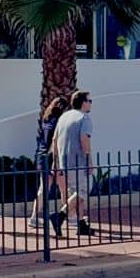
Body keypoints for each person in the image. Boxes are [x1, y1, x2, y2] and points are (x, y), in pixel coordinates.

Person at [51, 90, 95, 237]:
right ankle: (60, 216)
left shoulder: (64, 117)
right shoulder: (84, 118)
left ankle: (81, 224)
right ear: (83, 102)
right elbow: (84, 138)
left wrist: (55, 162)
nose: (90, 104)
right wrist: (89, 159)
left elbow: (55, 140)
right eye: (89, 101)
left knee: (76, 192)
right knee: (84, 190)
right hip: (79, 161)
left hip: (65, 162)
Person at [28, 95, 67, 228]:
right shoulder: (58, 121)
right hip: (52, 157)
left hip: (41, 156)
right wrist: (56, 162)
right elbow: (56, 142)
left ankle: (33, 217)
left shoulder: (46, 119)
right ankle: (67, 215)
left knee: (43, 189)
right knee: (64, 188)